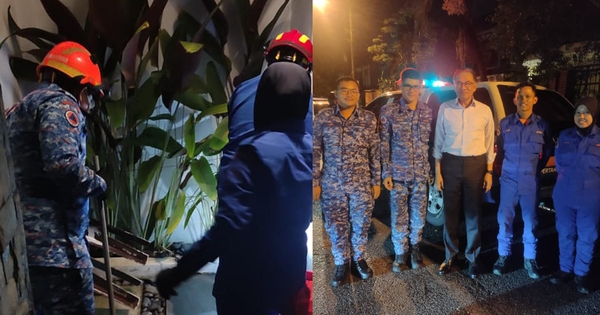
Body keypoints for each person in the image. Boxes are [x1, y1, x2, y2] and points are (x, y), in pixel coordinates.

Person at [155, 61, 313, 314]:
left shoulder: (250, 153)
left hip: (245, 284)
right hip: (289, 279)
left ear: (263, 98)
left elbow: (227, 229)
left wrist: (178, 273)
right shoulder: (312, 150)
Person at [5, 41, 107, 315]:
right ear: (82, 86)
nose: (90, 105)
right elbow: (62, 165)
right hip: (58, 252)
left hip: (28, 248)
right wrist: (98, 183)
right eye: (91, 95)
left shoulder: (18, 110)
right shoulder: (61, 105)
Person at [313, 76, 381, 287]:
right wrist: (315, 182)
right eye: (344, 90)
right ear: (336, 93)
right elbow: (314, 151)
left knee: (361, 225)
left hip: (361, 184)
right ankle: (342, 262)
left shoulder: (369, 119)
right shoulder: (323, 118)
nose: (349, 94)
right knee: (336, 226)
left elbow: (375, 152)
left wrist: (376, 180)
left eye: (353, 90)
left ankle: (358, 260)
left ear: (359, 94)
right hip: (332, 184)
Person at [220, 28, 313, 171]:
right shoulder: (305, 100)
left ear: (269, 58)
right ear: (308, 67)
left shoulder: (241, 90)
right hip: (280, 179)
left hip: (234, 174)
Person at [433, 68, 495, 279]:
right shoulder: (445, 108)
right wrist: (438, 172)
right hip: (450, 163)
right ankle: (450, 255)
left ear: (475, 85)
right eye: (459, 82)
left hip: (475, 165)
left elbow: (489, 143)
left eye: (468, 83)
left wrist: (489, 171)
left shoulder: (485, 110)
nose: (464, 86)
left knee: (473, 213)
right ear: (454, 84)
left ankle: (473, 258)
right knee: (450, 213)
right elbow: (438, 141)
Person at [492, 82, 553, 279]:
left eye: (528, 96)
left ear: (534, 99)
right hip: (509, 180)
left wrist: (534, 170)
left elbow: (547, 153)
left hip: (530, 181)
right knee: (504, 220)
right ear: (514, 99)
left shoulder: (543, 125)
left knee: (530, 221)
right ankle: (503, 255)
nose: (523, 100)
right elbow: (500, 151)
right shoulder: (505, 124)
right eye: (520, 96)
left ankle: (530, 258)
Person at [380, 68, 432, 272]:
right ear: (400, 86)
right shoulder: (389, 111)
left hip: (420, 175)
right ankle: (400, 254)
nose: (412, 90)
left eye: (416, 86)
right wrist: (386, 172)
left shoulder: (427, 111)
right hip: (398, 175)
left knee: (418, 217)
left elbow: (430, 142)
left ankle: (415, 249)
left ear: (421, 88)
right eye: (408, 85)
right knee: (399, 217)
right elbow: (384, 143)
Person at [550, 97, 600, 295]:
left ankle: (581, 273)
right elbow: (559, 163)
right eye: (578, 112)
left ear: (594, 115)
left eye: (586, 112)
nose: (582, 116)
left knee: (587, 236)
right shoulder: (564, 135)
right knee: (565, 232)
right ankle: (565, 269)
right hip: (564, 193)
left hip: (591, 196)